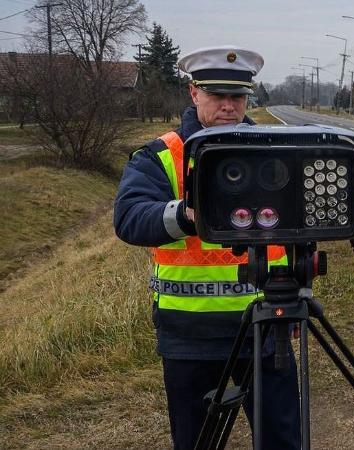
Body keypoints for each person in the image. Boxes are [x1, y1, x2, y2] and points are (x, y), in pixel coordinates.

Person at [113, 46, 300, 450]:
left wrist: (299, 301)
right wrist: (187, 214)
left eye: (238, 97)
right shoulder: (162, 156)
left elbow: (296, 236)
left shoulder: (274, 153)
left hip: (265, 327)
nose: (229, 106)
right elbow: (128, 218)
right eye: (218, 96)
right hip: (190, 334)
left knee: (282, 438)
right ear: (193, 92)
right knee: (196, 441)